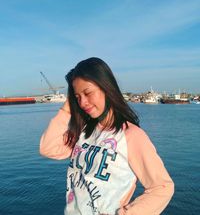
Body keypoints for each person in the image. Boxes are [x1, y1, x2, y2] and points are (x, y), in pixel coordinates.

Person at [40, 57, 174, 215]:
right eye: (77, 97)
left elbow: (162, 187)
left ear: (106, 88)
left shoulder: (131, 136)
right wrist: (68, 107)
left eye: (87, 93)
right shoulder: (84, 131)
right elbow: (47, 148)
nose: (83, 103)